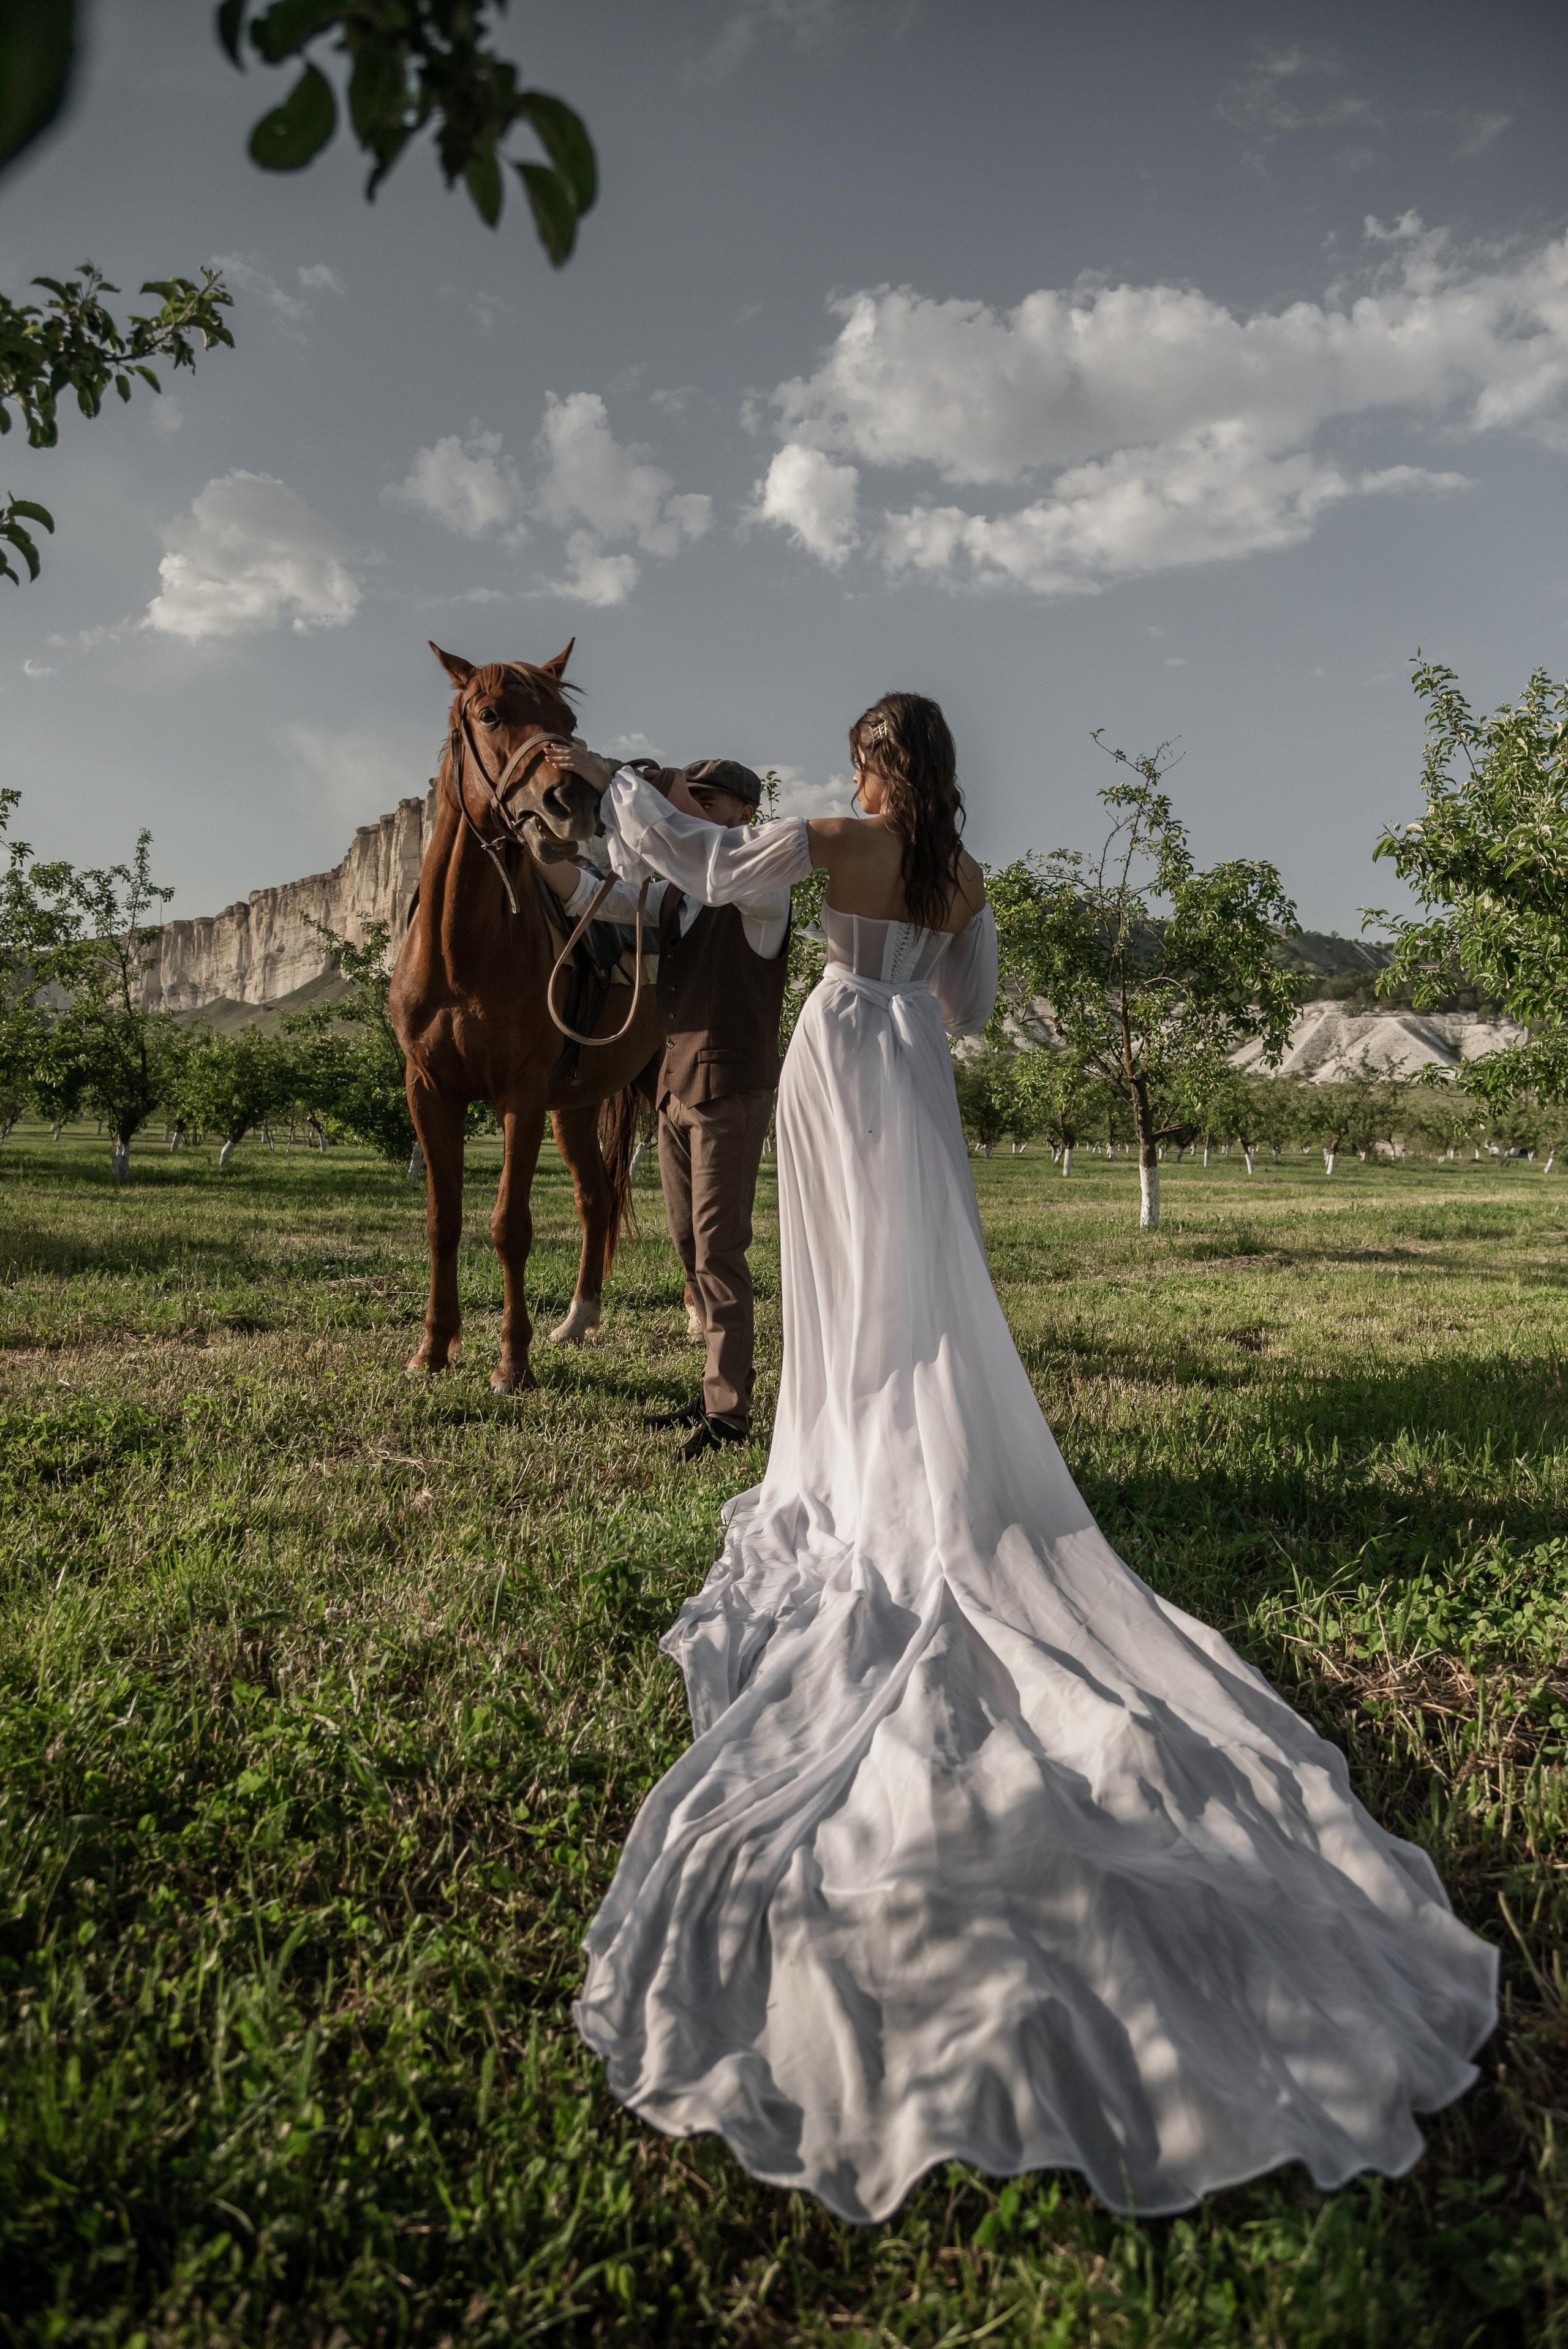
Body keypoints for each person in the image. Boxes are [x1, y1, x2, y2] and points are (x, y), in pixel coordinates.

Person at [545, 698, 1498, 2225]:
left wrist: (607, 787)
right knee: (917, 1288)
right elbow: (973, 1007)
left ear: (874, 762)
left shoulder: (839, 835)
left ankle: (844, 1463)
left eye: (856, 754)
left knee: (845, 1290)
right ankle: (904, 1455)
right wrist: (901, 970)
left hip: (839, 1058)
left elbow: (707, 867)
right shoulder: (961, 873)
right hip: (912, 1077)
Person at [541, 759, 791, 1461]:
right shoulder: (678, 897)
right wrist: (540, 848)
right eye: (691, 798)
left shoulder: (763, 884)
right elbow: (593, 895)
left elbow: (698, 856)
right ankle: (716, 1389)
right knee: (688, 1246)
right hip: (677, 1092)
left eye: (708, 800)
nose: (692, 810)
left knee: (719, 1249)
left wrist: (641, 787)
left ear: (744, 814)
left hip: (727, 1090)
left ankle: (729, 1415)